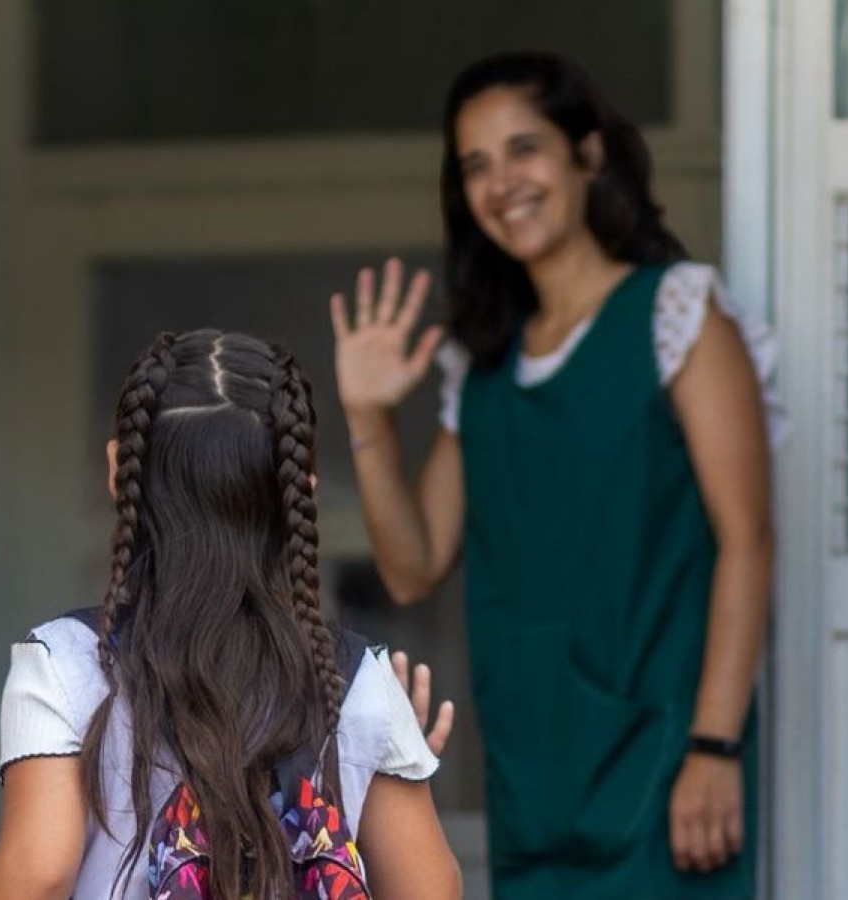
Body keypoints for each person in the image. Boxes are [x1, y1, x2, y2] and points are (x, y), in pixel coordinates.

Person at [329, 52, 780, 900]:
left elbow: (748, 540)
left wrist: (715, 747)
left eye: (524, 148)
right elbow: (412, 565)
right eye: (475, 165)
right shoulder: (484, 360)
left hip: (667, 767)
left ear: (590, 154)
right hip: (534, 776)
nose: (503, 183)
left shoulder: (676, 313)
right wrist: (369, 417)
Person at [0, 330, 463, 900]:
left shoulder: (62, 664)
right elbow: (430, 890)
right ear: (301, 494)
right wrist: (390, 742)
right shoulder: (355, 680)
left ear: (118, 471)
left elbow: (38, 874)